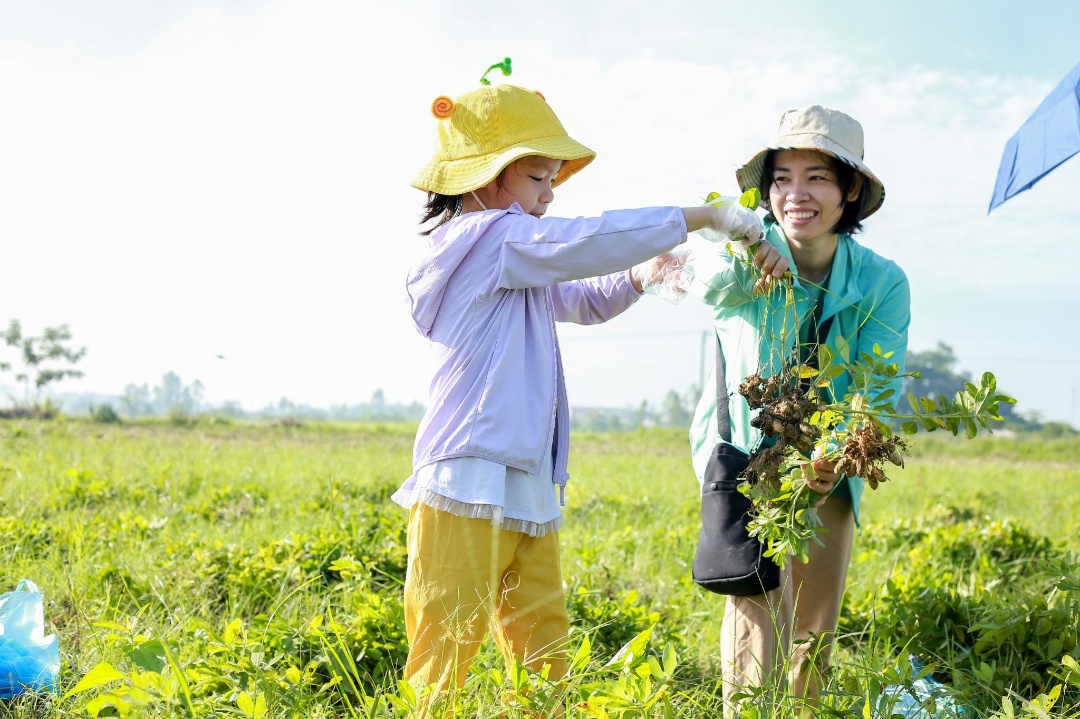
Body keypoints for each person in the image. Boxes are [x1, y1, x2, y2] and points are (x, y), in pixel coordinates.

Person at [395, 74, 777, 711]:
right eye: (538, 179)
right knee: (444, 652)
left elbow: (582, 295)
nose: (549, 195)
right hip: (466, 474)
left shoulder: (516, 255)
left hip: (526, 479)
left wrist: (642, 273)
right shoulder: (483, 240)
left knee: (543, 649)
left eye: (551, 181)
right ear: (487, 178)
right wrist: (703, 216)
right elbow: (585, 241)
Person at [687, 105, 911, 708]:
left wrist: (837, 455)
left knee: (813, 627)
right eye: (781, 178)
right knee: (757, 610)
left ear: (850, 189)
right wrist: (743, 243)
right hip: (748, 461)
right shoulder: (742, 259)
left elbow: (879, 384)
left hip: (829, 465)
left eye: (816, 176)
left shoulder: (881, 281)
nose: (795, 194)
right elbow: (695, 277)